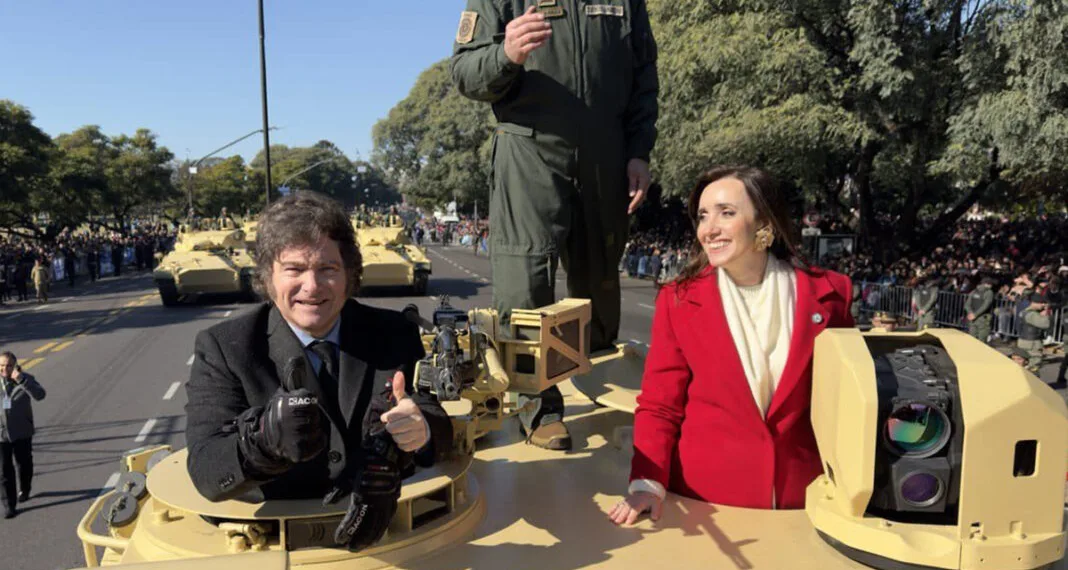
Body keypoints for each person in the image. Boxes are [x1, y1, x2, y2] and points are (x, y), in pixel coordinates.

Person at [184, 191, 452, 551]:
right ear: (268, 277)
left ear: (349, 275)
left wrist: (421, 429)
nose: (311, 287)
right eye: (294, 269)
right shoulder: (226, 348)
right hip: (270, 543)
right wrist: (262, 441)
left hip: (389, 534)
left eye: (328, 269)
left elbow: (435, 416)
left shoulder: (394, 332)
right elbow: (206, 469)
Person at [451, 0, 659, 449]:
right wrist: (506, 53)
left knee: (600, 276)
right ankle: (537, 406)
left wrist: (639, 149)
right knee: (526, 281)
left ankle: (604, 385)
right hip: (529, 147)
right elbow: (465, 73)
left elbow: (645, 77)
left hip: (608, 149)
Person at [608, 166, 854, 525]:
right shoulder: (677, 300)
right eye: (703, 216)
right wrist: (647, 483)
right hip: (705, 505)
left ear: (764, 221)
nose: (709, 229)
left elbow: (848, 404)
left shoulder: (831, 295)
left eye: (727, 213)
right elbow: (660, 404)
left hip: (803, 503)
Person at [0, 352, 46, 519]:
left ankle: (24, 489)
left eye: (8, 365)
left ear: (16, 366)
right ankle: (9, 504)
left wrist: (22, 380)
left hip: (22, 430)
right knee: (4, 470)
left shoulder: (25, 379)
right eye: (2, 365)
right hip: (1, 434)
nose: (5, 369)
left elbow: (40, 395)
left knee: (24, 463)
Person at [1015, 292, 1051, 373]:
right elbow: (1046, 324)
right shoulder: (1033, 314)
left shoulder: (1024, 312)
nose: (1043, 305)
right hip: (1032, 344)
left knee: (1023, 365)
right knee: (1034, 365)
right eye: (1041, 303)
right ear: (1034, 303)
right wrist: (1045, 314)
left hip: (1023, 341)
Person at [965, 276, 995, 342]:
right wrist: (975, 315)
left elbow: (967, 304)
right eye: (991, 284)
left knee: (972, 339)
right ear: (987, 284)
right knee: (982, 341)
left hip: (972, 319)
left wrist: (970, 313)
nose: (991, 286)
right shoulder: (989, 292)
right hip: (983, 319)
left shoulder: (974, 291)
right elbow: (986, 305)